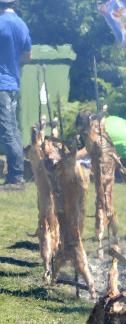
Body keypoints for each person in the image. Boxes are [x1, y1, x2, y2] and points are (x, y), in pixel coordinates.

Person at [0, 0, 31, 190]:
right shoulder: (21, 24)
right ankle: (17, 174)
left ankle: (16, 178)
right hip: (12, 84)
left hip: (1, 85)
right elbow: (28, 56)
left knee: (7, 131)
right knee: (12, 129)